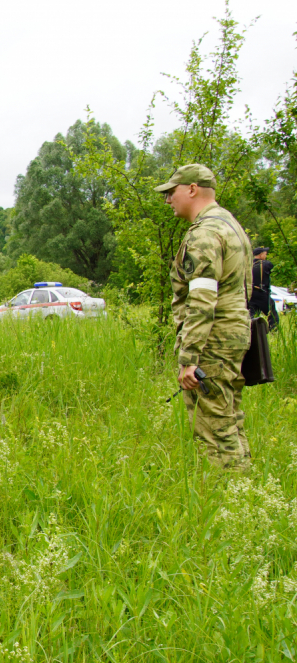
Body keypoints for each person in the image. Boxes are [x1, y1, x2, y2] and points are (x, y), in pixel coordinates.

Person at [158, 163, 252, 469]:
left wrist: (190, 358)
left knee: (212, 426)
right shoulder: (230, 225)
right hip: (232, 334)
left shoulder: (206, 233)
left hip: (212, 341)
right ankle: (243, 486)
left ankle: (226, 491)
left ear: (192, 189)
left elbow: (202, 298)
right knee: (229, 418)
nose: (168, 200)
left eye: (171, 193)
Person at [249, 246, 278, 330]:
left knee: (252, 312)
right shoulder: (265, 264)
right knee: (271, 309)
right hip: (262, 292)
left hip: (251, 292)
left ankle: (251, 329)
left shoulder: (249, 265)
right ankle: (273, 329)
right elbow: (271, 267)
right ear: (261, 254)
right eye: (265, 254)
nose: (266, 256)